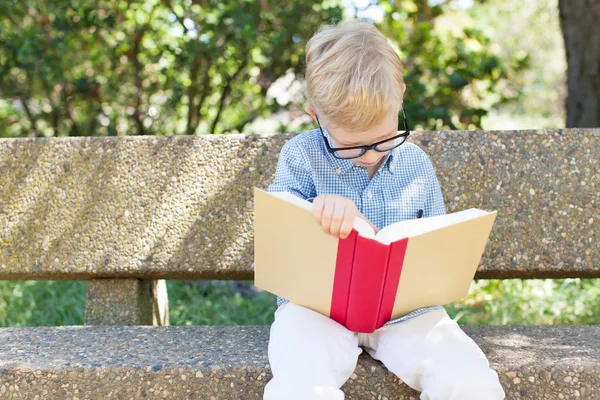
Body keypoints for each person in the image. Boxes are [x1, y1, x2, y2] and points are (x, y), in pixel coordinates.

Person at [263, 19, 505, 400]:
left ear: (400, 98)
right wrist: (315, 211)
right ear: (316, 117)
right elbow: (277, 233)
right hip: (317, 313)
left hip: (405, 315)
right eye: (350, 146)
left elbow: (437, 250)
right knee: (299, 383)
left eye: (383, 138)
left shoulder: (417, 165)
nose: (371, 153)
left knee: (469, 380)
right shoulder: (301, 156)